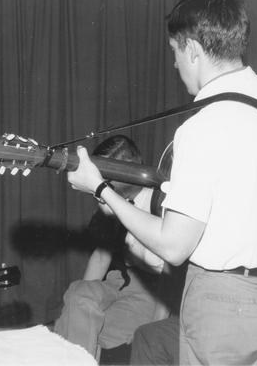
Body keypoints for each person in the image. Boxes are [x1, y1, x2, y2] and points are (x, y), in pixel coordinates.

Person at [67, 0, 257, 365]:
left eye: (175, 52)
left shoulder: (201, 128)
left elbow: (173, 246)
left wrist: (100, 188)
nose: (176, 65)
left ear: (192, 48)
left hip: (223, 303)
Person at [54, 135, 174, 359]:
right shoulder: (108, 200)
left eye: (105, 176)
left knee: (83, 333)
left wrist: (156, 325)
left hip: (153, 292)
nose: (98, 182)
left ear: (130, 169)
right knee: (78, 293)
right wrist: (78, 303)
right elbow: (101, 257)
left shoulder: (162, 202)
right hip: (119, 280)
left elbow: (171, 273)